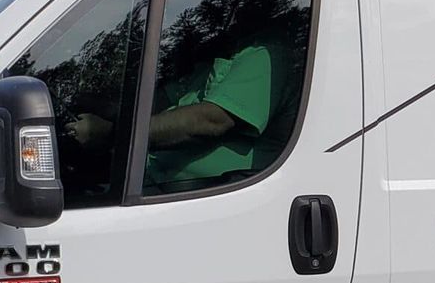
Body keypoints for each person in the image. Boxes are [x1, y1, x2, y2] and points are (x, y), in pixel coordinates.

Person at [66, 40, 297, 193]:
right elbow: (149, 106)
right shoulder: (218, 56)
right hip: (148, 188)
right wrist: (80, 99)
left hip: (204, 205)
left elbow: (209, 121)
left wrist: (112, 134)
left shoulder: (265, 53)